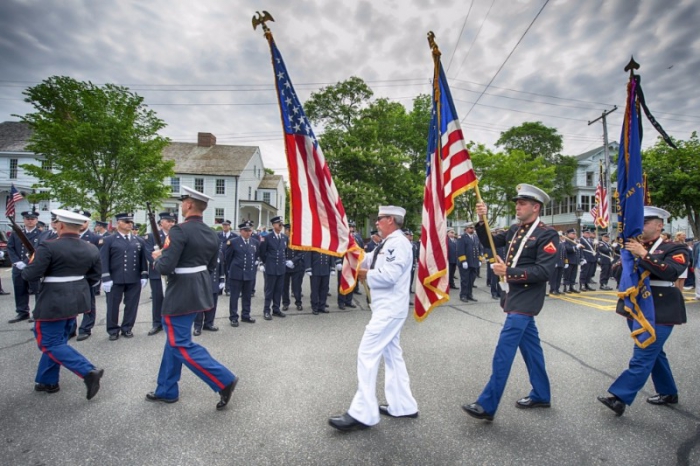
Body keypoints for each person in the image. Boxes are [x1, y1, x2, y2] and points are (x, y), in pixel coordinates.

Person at [462, 183, 558, 421]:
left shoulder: (547, 234)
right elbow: (488, 241)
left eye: (522, 203)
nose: (517, 206)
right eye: (517, 202)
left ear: (535, 207)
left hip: (527, 298)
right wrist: (482, 219)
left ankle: (487, 405)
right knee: (532, 349)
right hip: (514, 296)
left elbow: (544, 271)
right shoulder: (516, 229)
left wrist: (509, 271)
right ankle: (542, 395)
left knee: (504, 351)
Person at [146, 186, 237, 409]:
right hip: (200, 288)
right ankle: (166, 389)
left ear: (188, 205)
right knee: (173, 341)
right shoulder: (210, 232)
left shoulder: (179, 230)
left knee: (180, 343)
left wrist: (158, 257)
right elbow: (212, 264)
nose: (181, 205)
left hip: (181, 292)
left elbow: (165, 267)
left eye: (183, 201)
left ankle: (224, 379)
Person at [328, 205, 418, 431]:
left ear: (390, 220)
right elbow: (368, 258)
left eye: (380, 219)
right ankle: (403, 405)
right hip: (385, 307)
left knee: (367, 353)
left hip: (389, 309)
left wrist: (365, 274)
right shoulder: (387, 243)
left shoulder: (399, 243)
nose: (376, 222)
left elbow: (390, 275)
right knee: (393, 355)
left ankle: (362, 413)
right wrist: (351, 252)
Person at [597, 206, 689, 416]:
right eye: (640, 222)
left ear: (659, 225)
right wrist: (628, 260)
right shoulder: (632, 246)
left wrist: (644, 255)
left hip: (662, 307)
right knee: (655, 353)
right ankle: (668, 392)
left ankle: (620, 397)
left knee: (644, 353)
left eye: (646, 222)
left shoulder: (674, 248)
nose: (641, 226)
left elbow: (671, 273)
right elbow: (617, 271)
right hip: (638, 306)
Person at [21, 209, 104, 400]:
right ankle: (47, 380)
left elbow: (29, 275)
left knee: (48, 342)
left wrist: (31, 262)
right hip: (77, 300)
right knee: (58, 340)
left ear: (60, 225)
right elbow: (94, 277)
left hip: (53, 301)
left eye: (56, 222)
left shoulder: (48, 247)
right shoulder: (91, 248)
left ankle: (88, 371)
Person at [100, 213, 148, 340]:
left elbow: (142, 260)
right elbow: (104, 260)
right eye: (126, 222)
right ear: (118, 223)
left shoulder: (139, 240)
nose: (130, 224)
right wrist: (105, 278)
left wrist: (144, 274)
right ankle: (113, 329)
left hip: (133, 278)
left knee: (132, 305)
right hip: (115, 278)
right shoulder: (109, 240)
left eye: (131, 222)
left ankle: (127, 328)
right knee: (113, 305)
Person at [144, 212, 177, 336]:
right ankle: (157, 324)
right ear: (161, 223)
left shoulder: (176, 236)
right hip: (157, 272)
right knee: (158, 299)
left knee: (173, 299)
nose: (171, 224)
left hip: (173, 273)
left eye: (173, 221)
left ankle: (171, 323)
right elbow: (148, 253)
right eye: (168, 221)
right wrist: (161, 263)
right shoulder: (151, 236)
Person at [7, 211, 42, 323]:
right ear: (24, 220)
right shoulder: (16, 233)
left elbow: (38, 250)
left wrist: (26, 262)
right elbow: (10, 247)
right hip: (18, 266)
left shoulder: (41, 234)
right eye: (27, 218)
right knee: (19, 289)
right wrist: (16, 261)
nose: (30, 221)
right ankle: (22, 312)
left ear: (36, 220)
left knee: (37, 290)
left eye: (32, 219)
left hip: (33, 266)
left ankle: (37, 313)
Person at [226, 221, 258, 327]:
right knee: (234, 296)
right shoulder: (234, 242)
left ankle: (246, 315)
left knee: (247, 296)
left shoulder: (254, 242)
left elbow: (255, 256)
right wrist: (229, 271)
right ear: (241, 231)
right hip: (236, 274)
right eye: (246, 231)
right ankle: (234, 317)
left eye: (250, 230)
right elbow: (228, 258)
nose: (248, 233)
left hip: (249, 274)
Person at [258, 216, 288, 320]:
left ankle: (276, 309)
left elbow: (285, 251)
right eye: (278, 223)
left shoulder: (284, 237)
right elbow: (262, 252)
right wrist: (267, 262)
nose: (280, 225)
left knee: (278, 290)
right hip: (271, 267)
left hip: (281, 268)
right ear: (273, 225)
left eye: (281, 223)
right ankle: (266, 310)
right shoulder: (267, 237)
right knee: (269, 290)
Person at [194, 248, 224, 336]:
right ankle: (197, 326)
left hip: (214, 281)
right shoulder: (198, 251)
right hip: (201, 281)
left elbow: (221, 266)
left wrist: (222, 279)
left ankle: (209, 323)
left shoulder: (219, 252)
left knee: (212, 304)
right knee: (199, 306)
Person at [282, 223, 305, 311]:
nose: (285, 231)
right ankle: (285, 303)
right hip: (285, 266)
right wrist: (285, 261)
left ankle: (298, 302)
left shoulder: (297, 240)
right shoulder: (282, 239)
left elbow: (301, 253)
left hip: (296, 266)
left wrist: (293, 261)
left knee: (296, 286)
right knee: (285, 287)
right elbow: (280, 252)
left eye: (287, 230)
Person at [457, 222, 480, 302]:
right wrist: (463, 261)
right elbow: (460, 250)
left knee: (471, 280)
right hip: (465, 262)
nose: (472, 229)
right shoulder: (462, 237)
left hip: (473, 262)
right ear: (466, 229)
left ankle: (469, 294)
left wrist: (479, 259)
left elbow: (478, 249)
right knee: (465, 280)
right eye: (470, 228)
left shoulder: (475, 237)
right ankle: (463, 295)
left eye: (473, 228)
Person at [306, 251, 333, 315]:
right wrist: (308, 268)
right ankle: (315, 306)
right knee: (315, 289)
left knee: (324, 289)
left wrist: (332, 267)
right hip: (315, 269)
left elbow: (332, 255)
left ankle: (322, 305)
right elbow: (308, 256)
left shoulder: (327, 243)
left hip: (326, 269)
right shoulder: (313, 243)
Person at [218, 220, 237, 295]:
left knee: (229, 273)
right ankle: (219, 289)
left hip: (230, 258)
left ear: (229, 226)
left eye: (226, 225)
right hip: (220, 258)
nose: (225, 227)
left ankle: (228, 289)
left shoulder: (234, 236)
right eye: (223, 225)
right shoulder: (218, 235)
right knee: (219, 273)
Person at [562, 229, 582, 294]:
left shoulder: (575, 242)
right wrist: (576, 247)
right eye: (572, 233)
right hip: (569, 260)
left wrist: (580, 259)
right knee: (567, 274)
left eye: (575, 234)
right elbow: (568, 249)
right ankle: (566, 287)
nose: (574, 235)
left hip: (575, 260)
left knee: (573, 275)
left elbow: (579, 251)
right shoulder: (566, 242)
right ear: (568, 234)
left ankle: (572, 286)